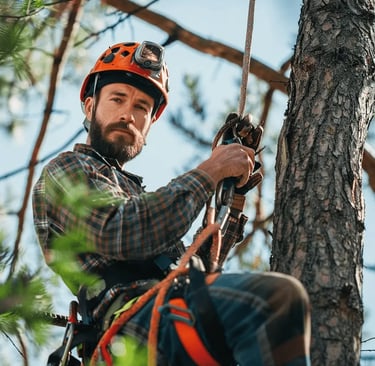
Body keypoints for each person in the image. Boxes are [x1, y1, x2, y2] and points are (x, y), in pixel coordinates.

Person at [32, 41, 311, 366]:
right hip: (132, 329)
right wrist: (211, 170)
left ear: (150, 124)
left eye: (141, 108)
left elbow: (193, 270)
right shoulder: (67, 171)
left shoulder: (131, 193)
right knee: (274, 301)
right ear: (90, 106)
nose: (128, 115)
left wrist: (231, 197)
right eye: (118, 99)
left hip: (165, 317)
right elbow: (122, 231)